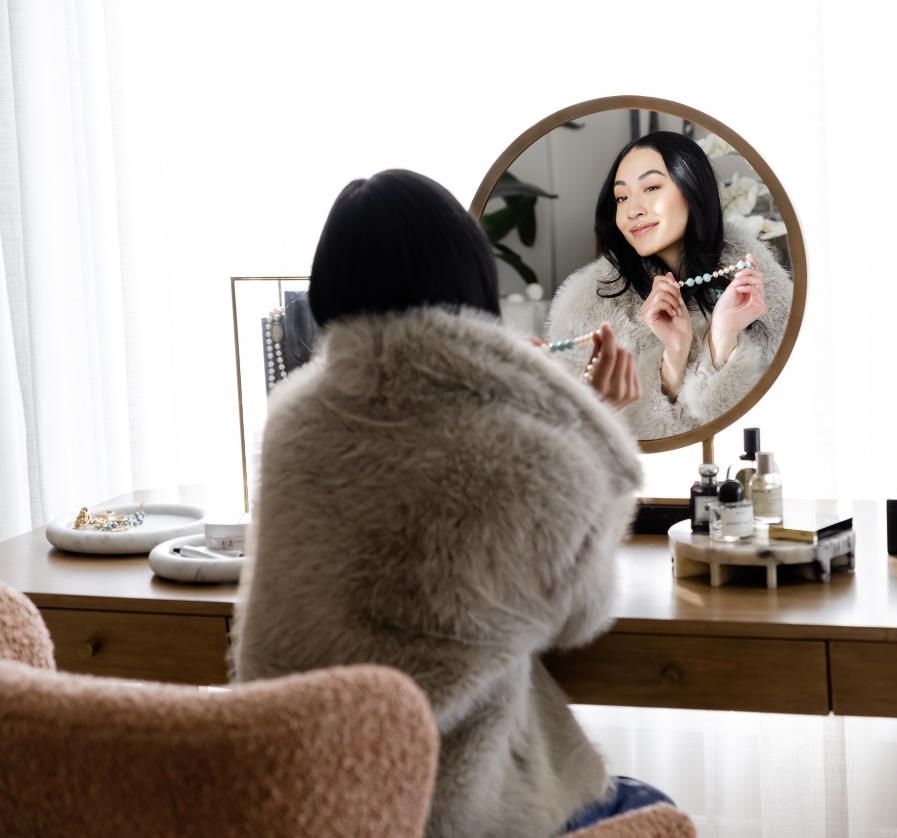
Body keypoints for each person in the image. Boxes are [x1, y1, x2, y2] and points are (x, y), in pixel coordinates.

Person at [230, 169, 673, 837]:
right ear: (471, 278)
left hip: (302, 800)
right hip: (448, 813)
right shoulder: (532, 453)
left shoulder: (292, 421)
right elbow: (578, 615)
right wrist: (587, 420)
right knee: (648, 804)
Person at [547, 130, 792, 440]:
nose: (632, 210)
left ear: (693, 189)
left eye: (650, 187)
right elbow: (592, 443)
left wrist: (722, 339)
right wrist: (674, 356)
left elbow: (764, 427)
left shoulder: (762, 289)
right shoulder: (587, 308)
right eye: (621, 197)